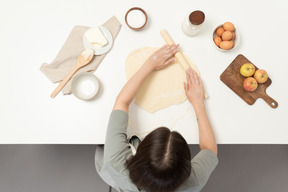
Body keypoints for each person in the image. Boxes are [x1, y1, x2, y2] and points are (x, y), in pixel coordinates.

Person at [95, 44, 218, 192]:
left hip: (120, 181)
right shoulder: (193, 182)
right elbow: (209, 149)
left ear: (138, 157)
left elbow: (122, 102)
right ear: (187, 168)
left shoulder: (115, 162)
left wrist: (150, 64)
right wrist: (199, 105)